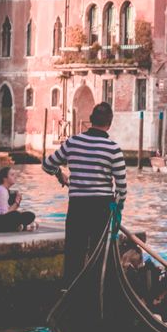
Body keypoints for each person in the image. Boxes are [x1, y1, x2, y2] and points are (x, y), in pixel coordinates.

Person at [43, 101, 127, 284]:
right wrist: (118, 210)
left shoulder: (72, 142)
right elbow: (121, 188)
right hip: (101, 207)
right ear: (110, 123)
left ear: (90, 120)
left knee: (74, 253)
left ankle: (69, 292)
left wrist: (59, 175)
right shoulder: (113, 149)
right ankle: (95, 293)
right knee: (98, 254)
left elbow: (47, 164)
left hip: (78, 205)